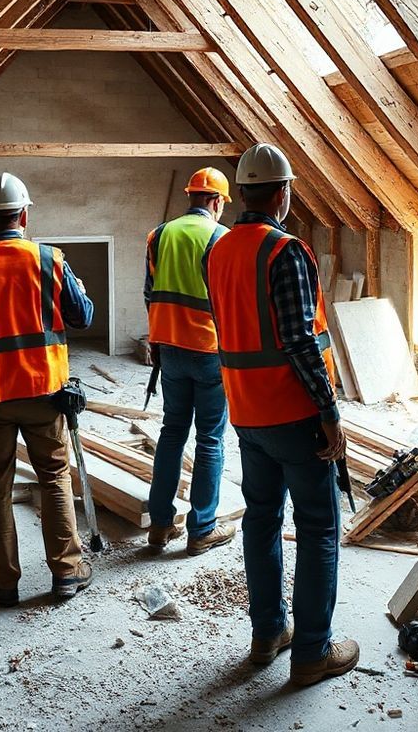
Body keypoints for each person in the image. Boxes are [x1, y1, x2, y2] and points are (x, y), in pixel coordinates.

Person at [203, 144, 359, 687]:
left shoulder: (218, 251)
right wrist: (330, 411)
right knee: (318, 527)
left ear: (242, 193)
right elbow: (298, 342)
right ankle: (312, 650)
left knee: (262, 518)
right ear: (283, 192)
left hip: (244, 411)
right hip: (292, 413)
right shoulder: (285, 251)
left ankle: (268, 631)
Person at [0, 172, 95, 606]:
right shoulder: (49, 260)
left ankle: (3, 581)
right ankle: (66, 571)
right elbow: (83, 317)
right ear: (24, 215)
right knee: (53, 478)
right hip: (44, 393)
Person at [144, 167, 236, 556]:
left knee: (171, 432)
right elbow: (232, 303)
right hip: (209, 351)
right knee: (210, 440)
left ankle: (160, 526)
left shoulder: (159, 234)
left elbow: (150, 292)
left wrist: (156, 341)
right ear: (216, 202)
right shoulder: (221, 238)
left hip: (169, 350)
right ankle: (201, 530)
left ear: (191, 197)